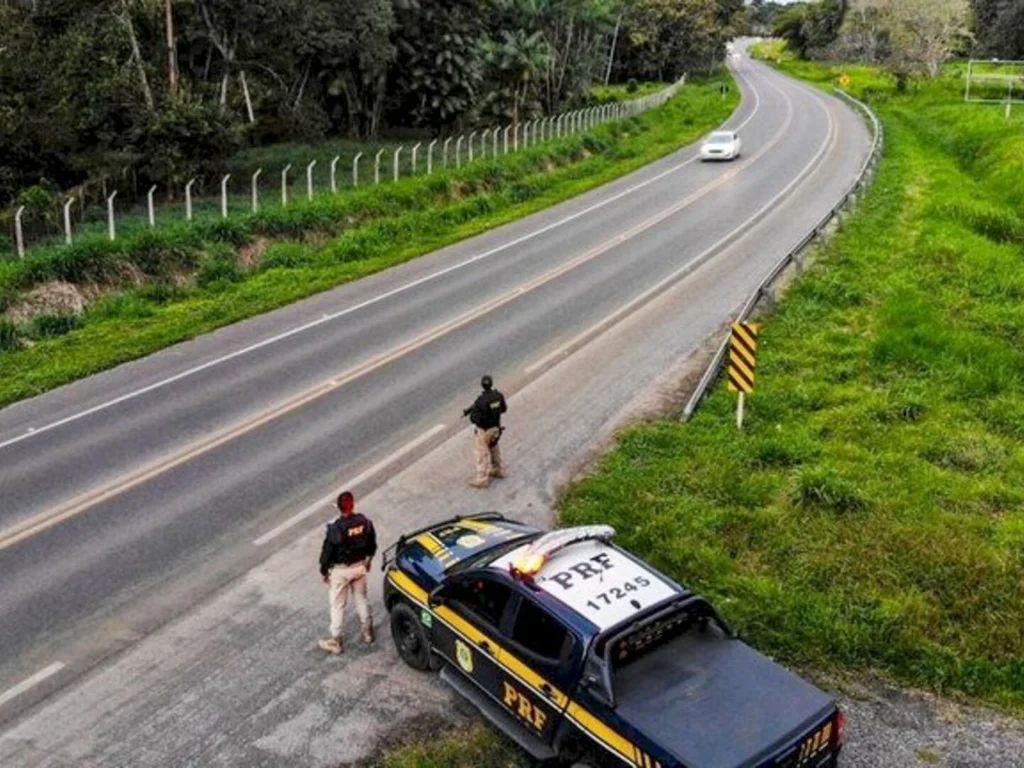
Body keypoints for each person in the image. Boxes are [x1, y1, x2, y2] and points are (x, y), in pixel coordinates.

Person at [318, 491, 376, 655]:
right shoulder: (365, 522)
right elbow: (372, 545)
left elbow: (327, 553)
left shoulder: (335, 528)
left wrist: (324, 571)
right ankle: (368, 631)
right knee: (361, 598)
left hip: (340, 571)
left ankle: (336, 640)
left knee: (337, 605)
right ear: (353, 505)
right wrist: (368, 562)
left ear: (340, 508)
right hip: (359, 567)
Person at [462, 375, 507, 489]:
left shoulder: (480, 401)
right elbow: (504, 409)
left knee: (481, 453)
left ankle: (482, 478)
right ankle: (498, 469)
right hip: (496, 429)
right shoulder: (498, 396)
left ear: (482, 385)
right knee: (494, 448)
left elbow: (474, 419)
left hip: (484, 430)